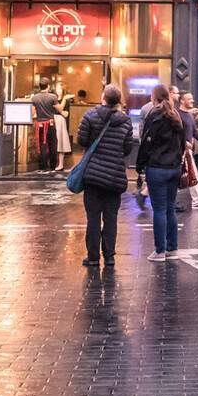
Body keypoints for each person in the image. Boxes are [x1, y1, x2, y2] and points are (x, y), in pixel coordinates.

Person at [75, 84, 135, 268]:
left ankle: (93, 257)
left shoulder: (90, 116)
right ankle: (109, 257)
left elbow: (81, 140)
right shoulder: (125, 121)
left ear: (103, 98)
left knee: (93, 217)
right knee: (111, 218)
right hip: (114, 176)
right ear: (118, 101)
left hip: (93, 175)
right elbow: (127, 148)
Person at [137, 85, 187, 260]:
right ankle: (172, 248)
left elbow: (146, 142)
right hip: (174, 168)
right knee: (169, 208)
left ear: (154, 97)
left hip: (156, 167)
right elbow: (183, 141)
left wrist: (140, 166)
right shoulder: (176, 115)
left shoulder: (154, 114)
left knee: (158, 209)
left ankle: (159, 251)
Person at [180, 92, 198, 211]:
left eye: (192, 98)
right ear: (182, 101)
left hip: (187, 151)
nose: (192, 101)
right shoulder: (178, 115)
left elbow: (194, 133)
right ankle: (196, 201)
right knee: (190, 175)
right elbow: (177, 133)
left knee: (193, 175)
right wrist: (183, 143)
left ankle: (197, 200)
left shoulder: (190, 115)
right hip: (180, 151)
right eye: (189, 99)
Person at [32, 83, 61, 171]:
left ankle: (43, 166)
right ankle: (52, 166)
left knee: (42, 145)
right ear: (48, 86)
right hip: (50, 123)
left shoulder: (34, 97)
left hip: (40, 124)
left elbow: (32, 112)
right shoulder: (53, 97)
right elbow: (59, 109)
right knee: (53, 144)